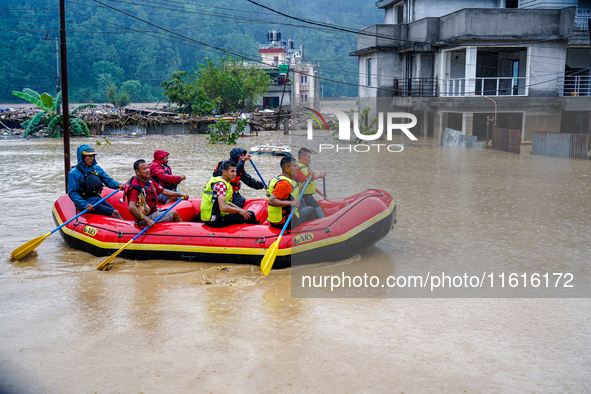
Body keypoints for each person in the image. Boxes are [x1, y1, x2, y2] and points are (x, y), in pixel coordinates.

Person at [124, 159, 188, 227]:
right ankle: (185, 231)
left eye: (148, 167)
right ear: (137, 172)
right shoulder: (135, 187)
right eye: (144, 169)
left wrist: (180, 194)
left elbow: (163, 191)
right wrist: (147, 220)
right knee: (174, 213)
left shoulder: (149, 180)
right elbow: (131, 207)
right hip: (144, 218)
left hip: (154, 211)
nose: (148, 170)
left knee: (169, 212)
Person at [67, 144, 123, 219]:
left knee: (117, 212)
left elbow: (108, 180)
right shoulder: (73, 173)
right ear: (82, 157)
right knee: (114, 213)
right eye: (89, 156)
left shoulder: (96, 168)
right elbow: (73, 193)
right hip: (86, 202)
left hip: (97, 199)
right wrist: (85, 204)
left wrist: (118, 185)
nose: (92, 158)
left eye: (93, 156)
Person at [199, 160, 258, 227]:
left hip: (211, 217)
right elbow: (223, 208)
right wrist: (239, 211)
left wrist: (240, 210)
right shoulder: (221, 185)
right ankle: (255, 233)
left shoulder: (217, 180)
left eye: (235, 171)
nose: (235, 174)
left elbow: (227, 202)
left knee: (245, 213)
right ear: (224, 172)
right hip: (215, 220)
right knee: (251, 215)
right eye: (232, 171)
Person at [267, 156, 315, 230]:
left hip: (275, 219)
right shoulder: (284, 183)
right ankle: (312, 232)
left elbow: (296, 192)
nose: (297, 168)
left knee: (301, 200)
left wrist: (306, 180)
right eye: (294, 166)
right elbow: (271, 201)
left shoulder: (278, 178)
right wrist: (291, 203)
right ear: (287, 169)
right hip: (286, 222)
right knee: (311, 209)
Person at [293, 147, 326, 219]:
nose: (310, 160)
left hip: (308, 195)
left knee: (315, 208)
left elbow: (309, 183)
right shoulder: (296, 168)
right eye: (309, 157)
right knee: (311, 210)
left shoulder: (306, 167)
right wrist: (319, 175)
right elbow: (303, 179)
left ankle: (323, 221)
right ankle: (322, 222)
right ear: (302, 158)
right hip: (301, 196)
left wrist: (319, 191)